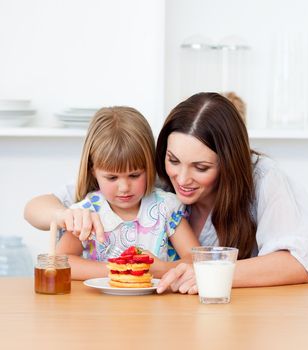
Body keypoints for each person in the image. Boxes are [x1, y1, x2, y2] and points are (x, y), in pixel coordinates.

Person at [24, 93, 308, 292]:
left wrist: (208, 275)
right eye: (173, 161)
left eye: (201, 168)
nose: (181, 179)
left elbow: (301, 262)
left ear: (229, 164)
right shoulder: (148, 177)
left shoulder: (263, 179)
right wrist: (63, 216)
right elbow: (42, 209)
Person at [42, 107, 199, 280]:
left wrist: (161, 269)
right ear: (93, 171)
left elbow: (196, 259)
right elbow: (59, 261)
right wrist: (121, 269)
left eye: (134, 175)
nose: (124, 187)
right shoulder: (87, 213)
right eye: (112, 177)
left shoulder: (165, 207)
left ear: (150, 167)